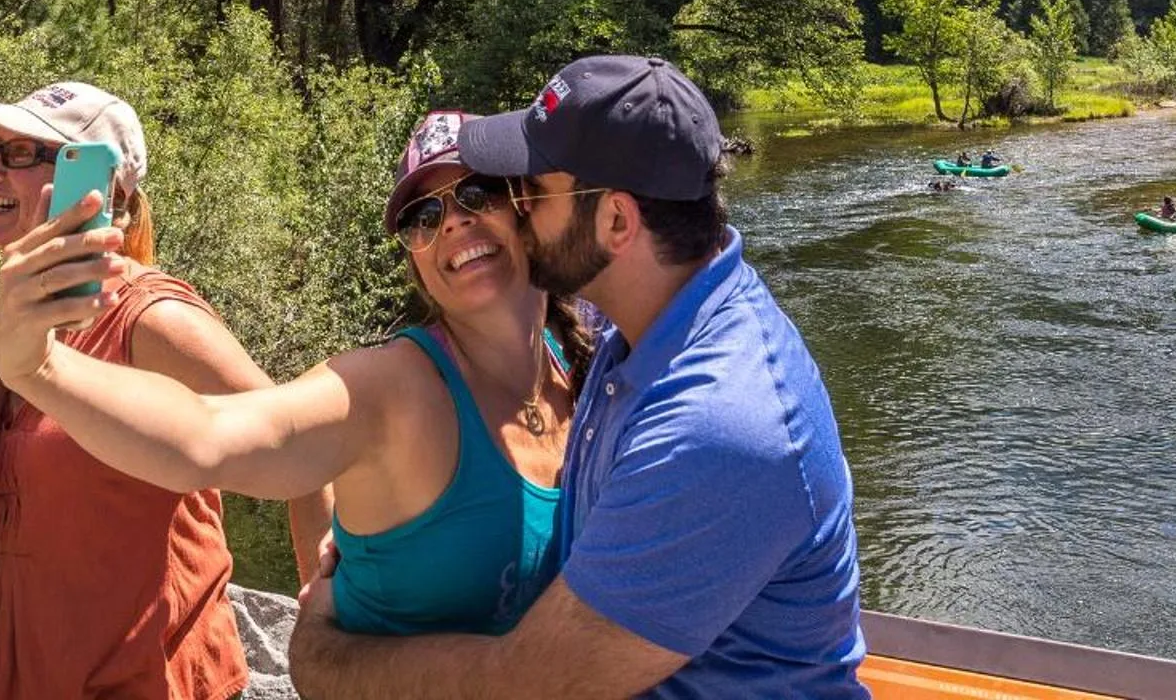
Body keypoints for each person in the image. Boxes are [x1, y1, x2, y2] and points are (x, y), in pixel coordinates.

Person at [288, 55, 868, 700]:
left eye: (528, 192)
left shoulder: (719, 423)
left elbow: (529, 685)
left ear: (616, 221)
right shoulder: (642, 325)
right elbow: (319, 420)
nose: (522, 213)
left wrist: (320, 647)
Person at [0, 108, 586, 644]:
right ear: (414, 257)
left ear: (531, 208)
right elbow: (209, 433)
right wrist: (39, 367)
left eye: (476, 193)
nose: (452, 222)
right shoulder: (389, 386)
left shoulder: (589, 364)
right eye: (422, 216)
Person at [0, 81, 323, 700]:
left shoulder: (153, 319)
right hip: (8, 669)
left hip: (141, 677)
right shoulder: (25, 320)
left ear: (101, 182)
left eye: (17, 154)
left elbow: (303, 451)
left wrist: (323, 625)